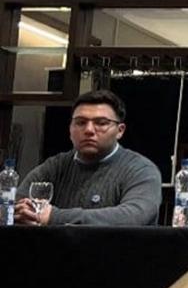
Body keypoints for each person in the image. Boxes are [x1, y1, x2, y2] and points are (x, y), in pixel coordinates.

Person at [14, 89, 162, 226]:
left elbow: (135, 216)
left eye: (101, 123)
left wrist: (54, 217)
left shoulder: (140, 170)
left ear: (120, 131)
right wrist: (24, 213)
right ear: (70, 128)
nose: (89, 130)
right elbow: (16, 204)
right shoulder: (55, 166)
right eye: (80, 123)